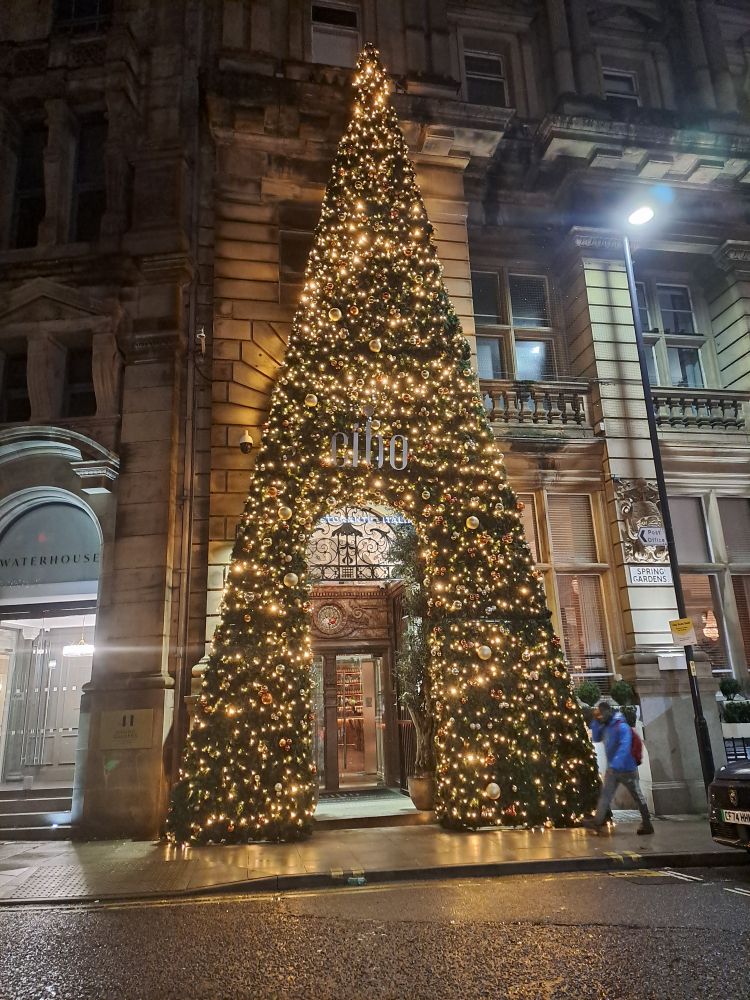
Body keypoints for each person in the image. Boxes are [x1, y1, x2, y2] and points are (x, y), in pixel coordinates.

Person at [583, 700, 654, 835]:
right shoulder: (606, 726)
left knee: (637, 796)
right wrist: (595, 721)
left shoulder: (622, 727)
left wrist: (615, 764)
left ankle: (647, 823)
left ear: (608, 713)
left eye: (601, 715)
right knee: (605, 795)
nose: (601, 717)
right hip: (613, 770)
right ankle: (597, 822)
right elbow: (597, 738)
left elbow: (624, 747)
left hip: (627, 769)